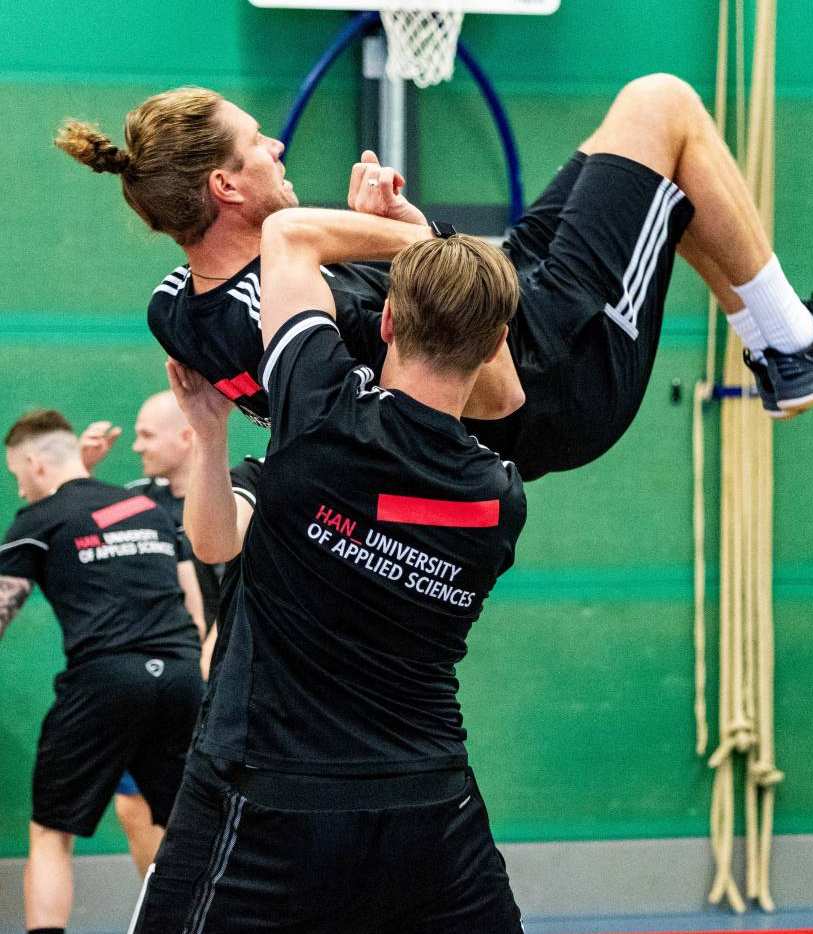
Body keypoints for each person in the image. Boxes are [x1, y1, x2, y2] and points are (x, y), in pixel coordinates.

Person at [56, 79, 813, 481]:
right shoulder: (299, 297)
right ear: (227, 188)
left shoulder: (175, 307)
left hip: (503, 300)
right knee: (666, 114)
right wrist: (409, 241)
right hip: (551, 378)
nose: (277, 147)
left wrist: (386, 241)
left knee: (650, 130)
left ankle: (786, 348)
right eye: (257, 143)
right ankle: (792, 346)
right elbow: (476, 388)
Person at [128, 213, 527, 930]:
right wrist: (449, 262)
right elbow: (504, 400)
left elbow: (287, 234)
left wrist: (419, 242)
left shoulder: (317, 416)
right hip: (428, 805)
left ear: (387, 325)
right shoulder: (497, 497)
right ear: (497, 343)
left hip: (271, 794)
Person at [0, 410, 205, 934]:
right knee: (180, 828)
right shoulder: (149, 509)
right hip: (182, 676)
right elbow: (194, 607)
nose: (18, 486)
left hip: (105, 682)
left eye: (15, 473)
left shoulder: (38, 520)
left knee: (51, 833)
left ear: (31, 462)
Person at [78, 390, 225, 877]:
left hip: (225, 684)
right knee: (132, 804)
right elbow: (71, 523)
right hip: (160, 680)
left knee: (208, 811)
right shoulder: (136, 500)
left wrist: (213, 648)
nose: (136, 446)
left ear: (187, 437)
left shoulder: (233, 495)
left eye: (146, 435)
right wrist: (81, 468)